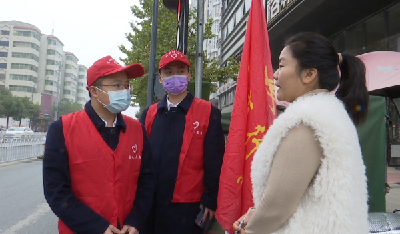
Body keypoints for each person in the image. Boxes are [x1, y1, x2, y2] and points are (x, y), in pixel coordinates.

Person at [233, 32, 369, 234]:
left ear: (309, 74)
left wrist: (249, 229)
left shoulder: (306, 122)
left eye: (281, 65)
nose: (275, 74)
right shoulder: (330, 113)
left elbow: (275, 207)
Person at [43, 56, 155, 234]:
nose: (124, 91)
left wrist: (136, 220)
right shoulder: (62, 129)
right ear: (94, 91)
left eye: (126, 86)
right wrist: (96, 227)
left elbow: (147, 181)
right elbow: (56, 191)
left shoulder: (137, 131)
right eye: (117, 86)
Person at [139, 49, 225, 234]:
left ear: (189, 75)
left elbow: (215, 160)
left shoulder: (208, 112)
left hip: (187, 206)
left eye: (180, 71)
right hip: (151, 203)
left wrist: (210, 199)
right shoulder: (149, 114)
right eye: (168, 72)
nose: (174, 76)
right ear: (160, 79)